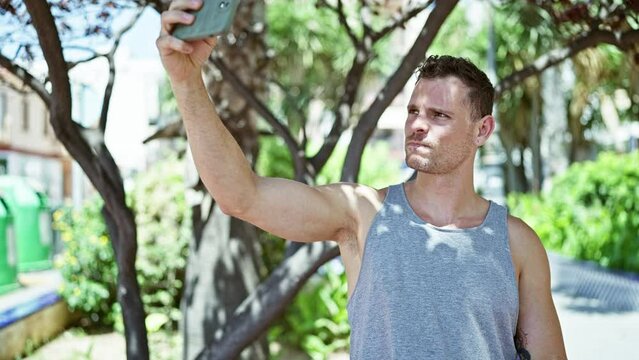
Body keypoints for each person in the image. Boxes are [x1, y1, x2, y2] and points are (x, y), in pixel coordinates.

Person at [157, 1, 567, 358]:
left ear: (482, 130)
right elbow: (242, 197)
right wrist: (186, 79)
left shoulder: (516, 242)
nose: (418, 125)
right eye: (413, 112)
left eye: (439, 115)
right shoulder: (364, 213)